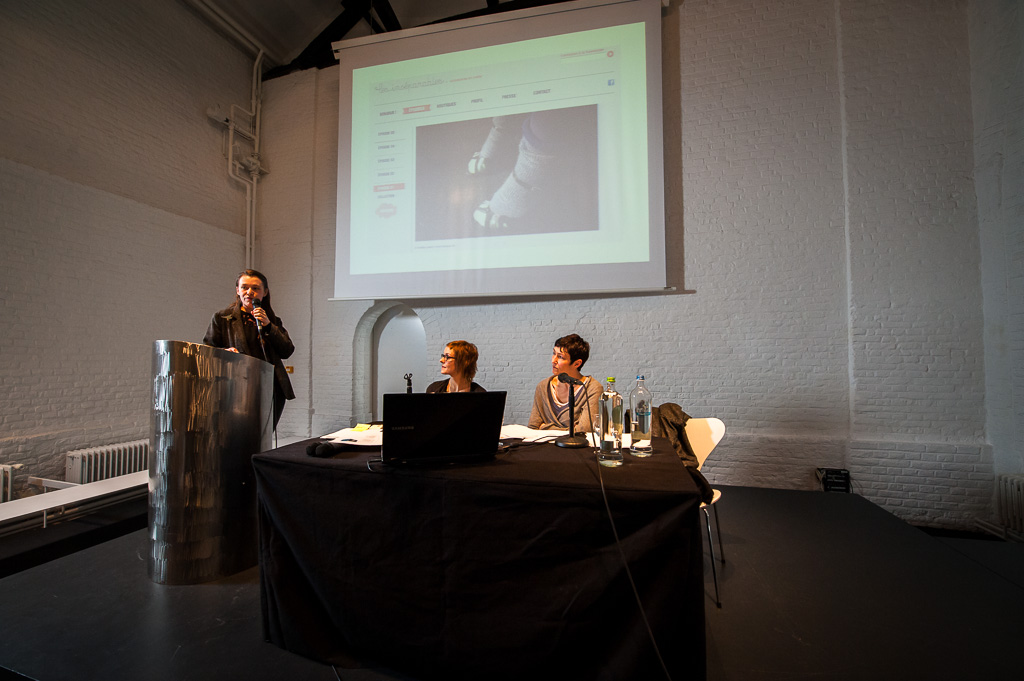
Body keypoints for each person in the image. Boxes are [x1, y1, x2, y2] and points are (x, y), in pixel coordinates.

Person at [204, 269, 295, 429]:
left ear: (265, 292)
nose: (249, 292)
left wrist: (269, 326)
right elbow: (208, 350)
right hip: (235, 386)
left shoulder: (271, 320)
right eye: (244, 287)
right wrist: (225, 352)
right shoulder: (222, 318)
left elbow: (287, 350)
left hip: (270, 387)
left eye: (255, 288)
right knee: (239, 433)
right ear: (237, 290)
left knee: (263, 433)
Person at [528, 334, 602, 432]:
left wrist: (544, 427)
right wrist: (570, 429)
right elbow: (533, 427)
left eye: (560, 357)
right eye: (554, 353)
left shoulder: (592, 388)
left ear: (577, 363)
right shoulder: (543, 387)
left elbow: (584, 429)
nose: (553, 360)